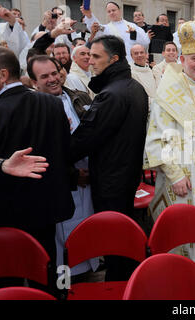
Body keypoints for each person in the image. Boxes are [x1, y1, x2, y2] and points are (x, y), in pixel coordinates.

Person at [0, 46, 74, 292]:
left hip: (5, 213)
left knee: (8, 276)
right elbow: (64, 151)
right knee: (48, 266)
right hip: (46, 208)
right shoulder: (52, 103)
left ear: (3, 75)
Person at [69, 35, 149, 281]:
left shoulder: (111, 95)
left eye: (96, 56)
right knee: (123, 233)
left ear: (113, 59)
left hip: (110, 180)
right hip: (126, 176)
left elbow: (84, 140)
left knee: (114, 239)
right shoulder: (134, 87)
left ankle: (119, 284)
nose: (90, 61)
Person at [144, 21, 195, 263]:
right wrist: (175, 174)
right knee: (181, 231)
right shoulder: (168, 91)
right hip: (183, 177)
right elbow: (157, 137)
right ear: (182, 59)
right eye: (194, 59)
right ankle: (176, 278)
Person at [27, 55, 99, 278]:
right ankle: (65, 284)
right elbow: (38, 154)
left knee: (88, 235)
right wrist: (71, 174)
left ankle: (90, 275)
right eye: (44, 76)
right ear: (34, 83)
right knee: (62, 248)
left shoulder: (79, 97)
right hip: (61, 187)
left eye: (55, 73)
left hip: (88, 184)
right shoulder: (32, 111)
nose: (52, 79)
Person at [80, 2, 150, 63]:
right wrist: (89, 15)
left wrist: (135, 34)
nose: (112, 13)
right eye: (109, 11)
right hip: (116, 64)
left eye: (113, 10)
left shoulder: (132, 26)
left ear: (119, 11)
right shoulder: (106, 28)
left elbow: (145, 43)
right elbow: (96, 26)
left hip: (133, 62)